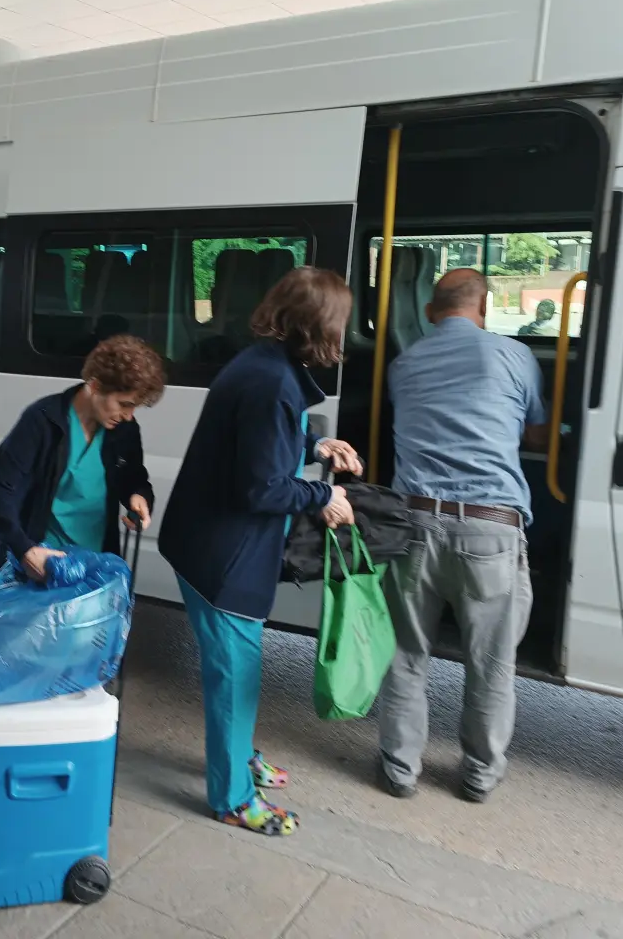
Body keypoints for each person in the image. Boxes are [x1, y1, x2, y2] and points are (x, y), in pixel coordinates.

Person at [159, 267, 361, 837]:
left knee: (234, 673)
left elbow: (256, 442)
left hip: (206, 542)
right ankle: (231, 798)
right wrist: (325, 497)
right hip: (223, 557)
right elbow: (263, 488)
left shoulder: (262, 363)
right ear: (321, 327)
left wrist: (315, 445)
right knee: (235, 679)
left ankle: (239, 756)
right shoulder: (273, 381)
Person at [377, 268, 546, 804]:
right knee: (491, 662)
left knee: (405, 653)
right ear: (485, 308)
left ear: (430, 312)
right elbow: (535, 434)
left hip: (412, 524)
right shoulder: (515, 356)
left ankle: (400, 769)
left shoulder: (404, 363)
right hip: (489, 529)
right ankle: (478, 774)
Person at [0, 334, 164, 580]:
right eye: (123, 404)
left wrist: (140, 496)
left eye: (134, 407)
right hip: (43, 562)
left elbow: (135, 479)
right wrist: (23, 549)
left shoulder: (125, 431)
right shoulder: (42, 420)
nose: (128, 415)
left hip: (96, 564)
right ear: (95, 386)